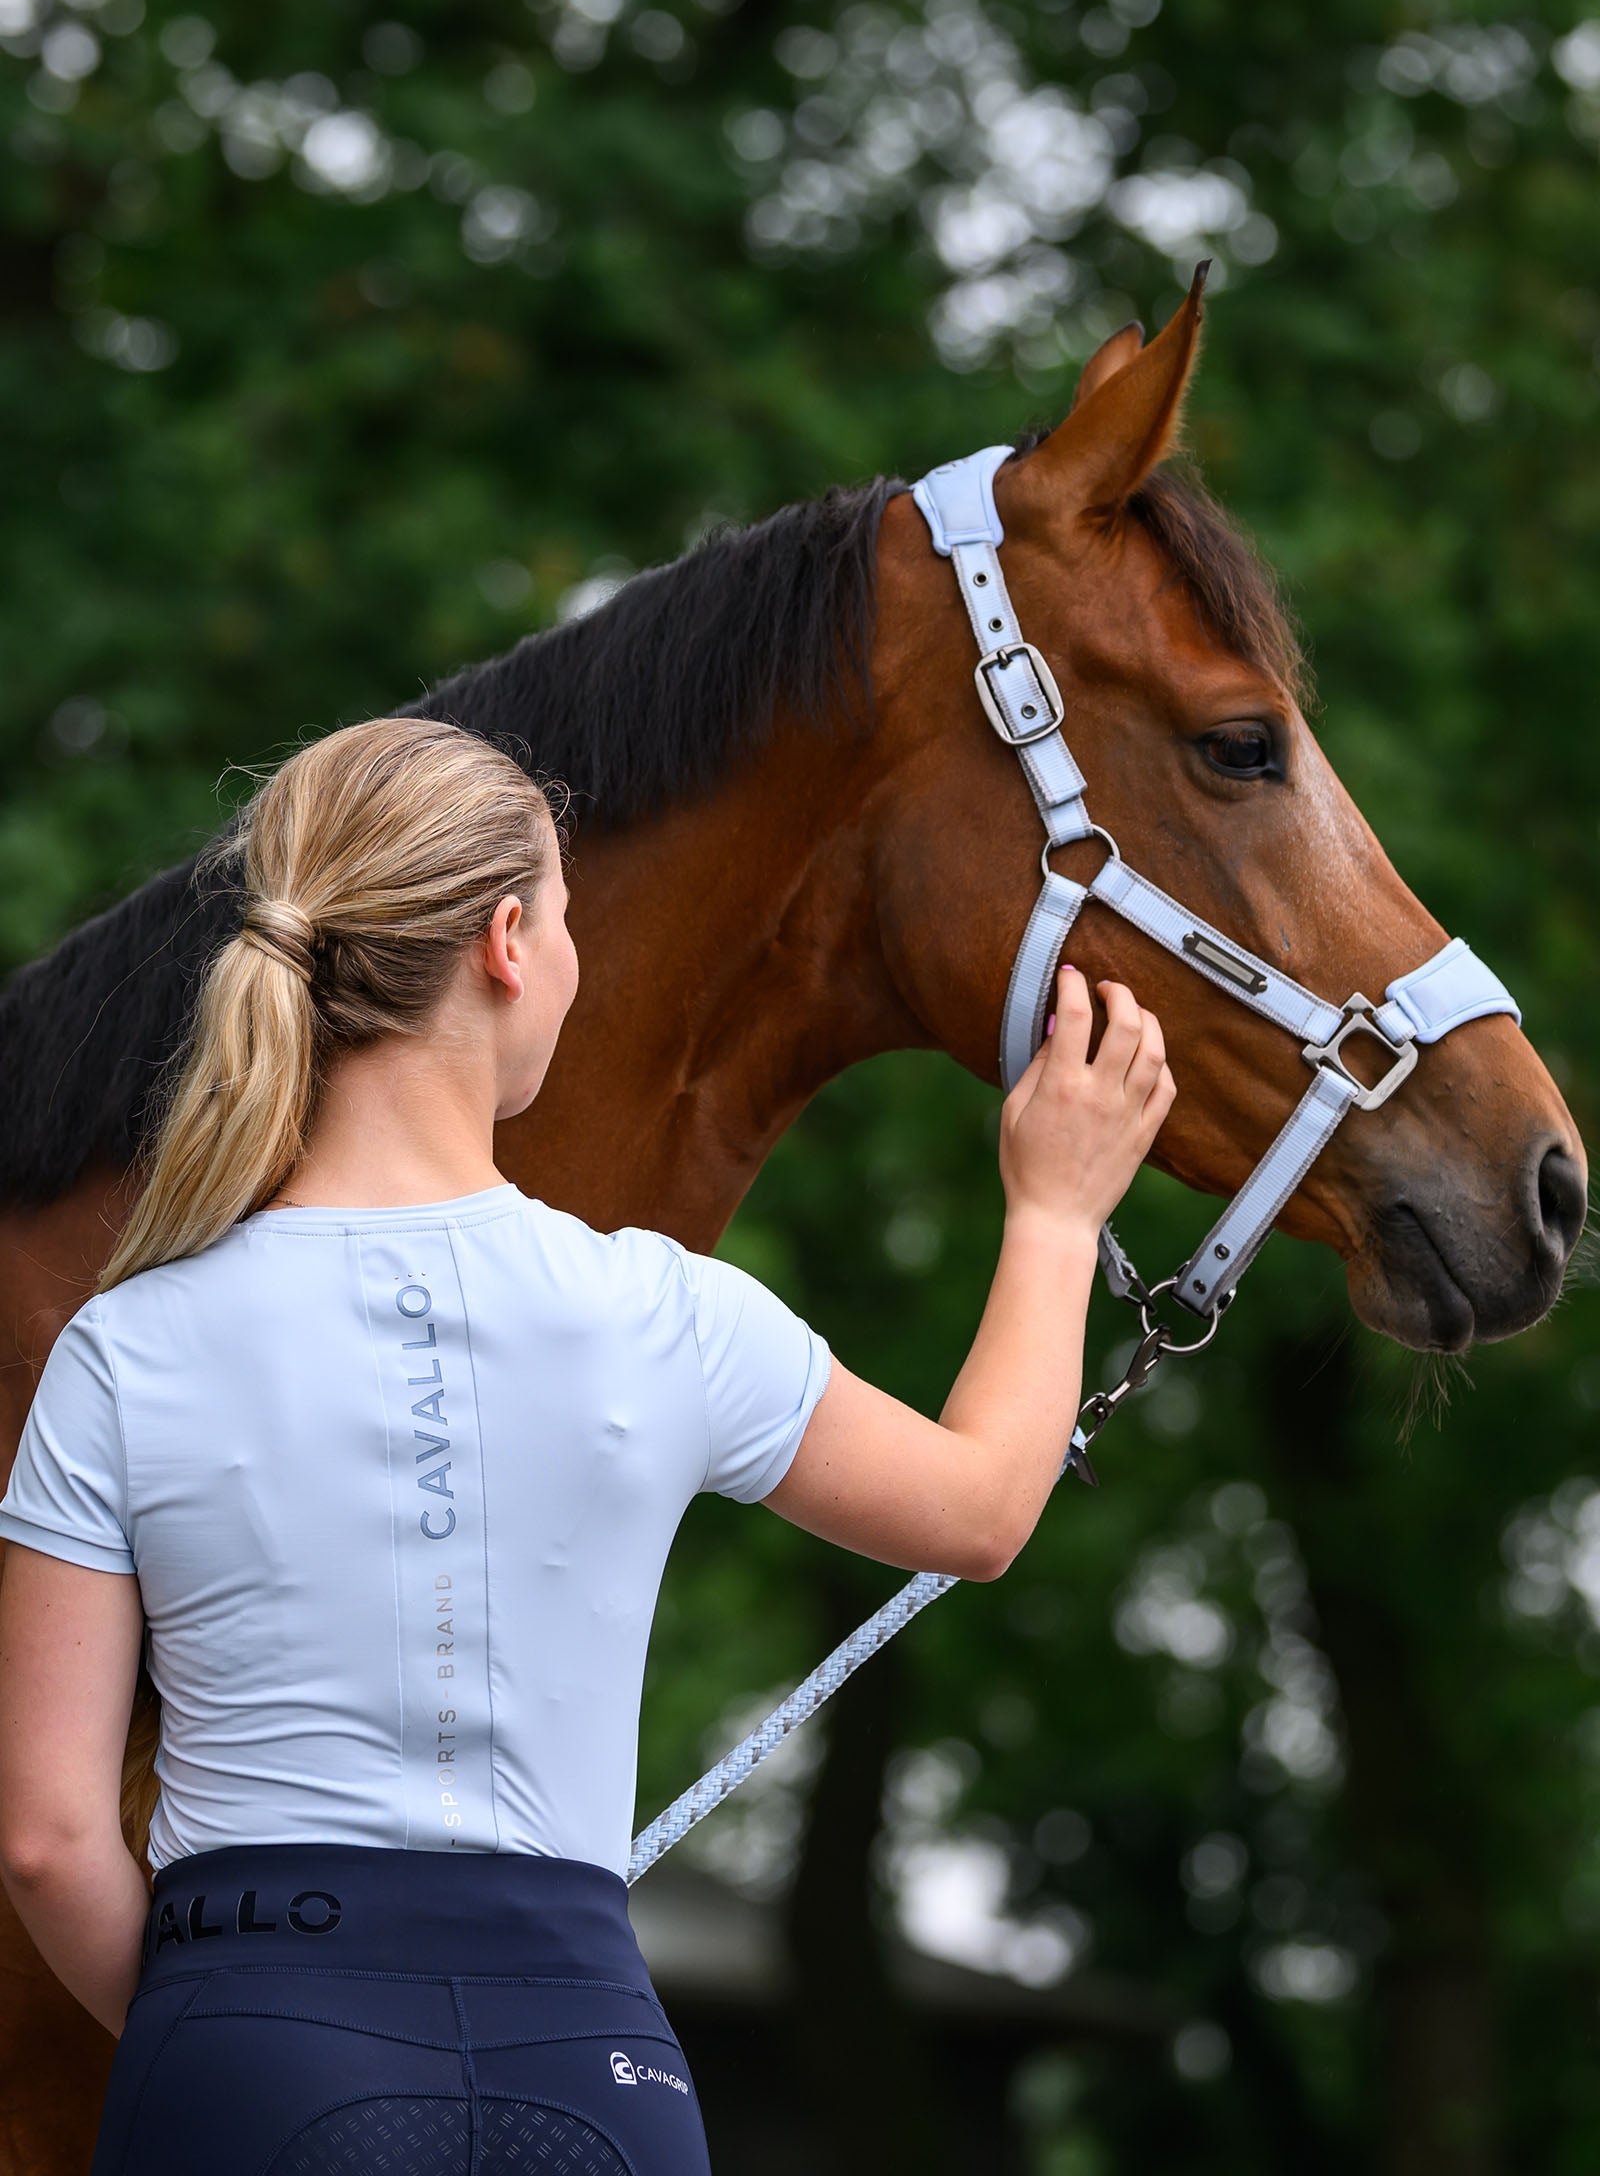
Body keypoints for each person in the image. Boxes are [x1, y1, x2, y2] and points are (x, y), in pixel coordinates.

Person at [0, 715, 1173, 2176]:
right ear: (505, 941)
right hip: (588, 2064)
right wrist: (1056, 1216)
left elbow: (47, 1842)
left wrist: (225, 2030)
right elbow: (985, 1507)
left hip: (248, 2037)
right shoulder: (659, 1313)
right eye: (567, 919)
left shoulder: (124, 1350)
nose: (572, 963)